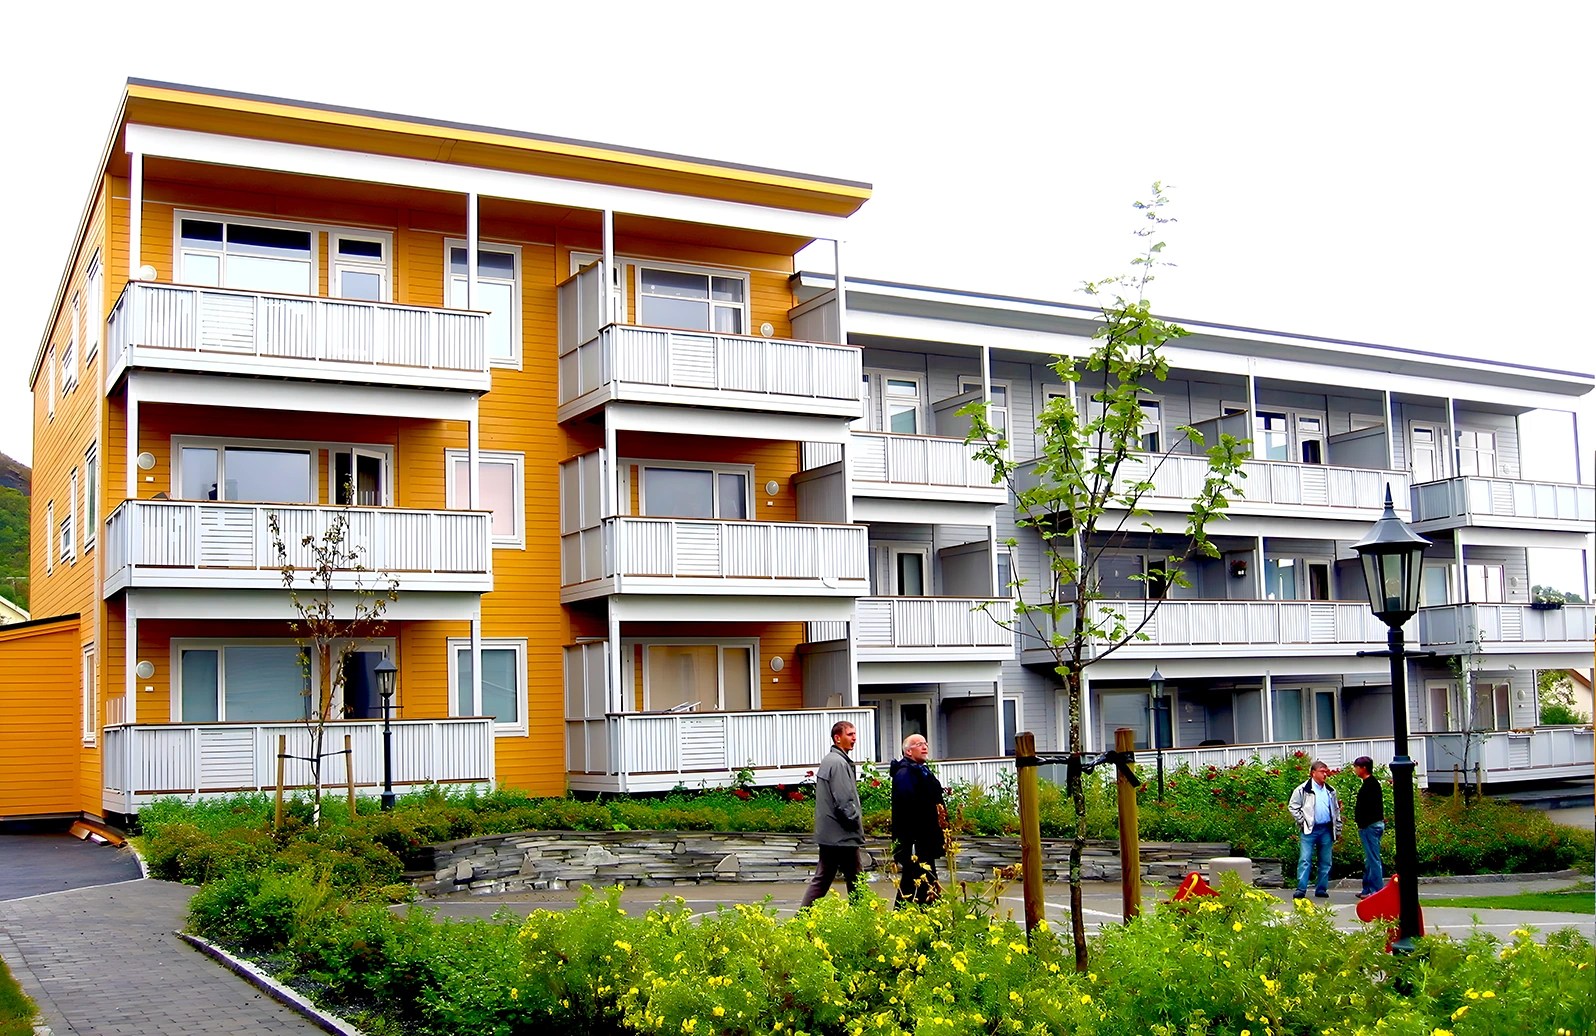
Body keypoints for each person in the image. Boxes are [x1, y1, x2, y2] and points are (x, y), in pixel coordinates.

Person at [798, 720, 865, 908]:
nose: (854, 738)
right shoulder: (837, 763)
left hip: (833, 834)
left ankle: (803, 918)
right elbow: (844, 800)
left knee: (826, 878)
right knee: (855, 880)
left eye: (854, 734)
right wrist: (855, 825)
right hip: (841, 834)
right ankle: (861, 919)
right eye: (850, 734)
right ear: (838, 738)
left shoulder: (832, 760)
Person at [890, 734, 948, 906]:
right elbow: (908, 809)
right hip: (916, 840)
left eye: (925, 743)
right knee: (916, 880)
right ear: (908, 751)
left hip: (925, 839)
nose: (925, 747)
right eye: (919, 744)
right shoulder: (905, 773)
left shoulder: (921, 771)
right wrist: (912, 841)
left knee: (921, 880)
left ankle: (928, 918)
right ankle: (925, 918)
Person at [1286, 759, 1341, 899]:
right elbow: (1293, 807)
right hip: (1309, 829)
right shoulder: (1303, 789)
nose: (1325, 775)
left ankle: (1321, 889)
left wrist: (1338, 828)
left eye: (1326, 772)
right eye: (1322, 772)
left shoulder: (1330, 790)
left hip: (1326, 829)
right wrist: (1302, 821)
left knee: (1326, 861)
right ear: (1313, 773)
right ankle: (1301, 888)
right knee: (1305, 859)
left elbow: (1336, 810)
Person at [1350, 756, 1385, 899]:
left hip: (1370, 826)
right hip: (1370, 825)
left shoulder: (1370, 785)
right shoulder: (1371, 784)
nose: (1355, 770)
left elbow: (1369, 808)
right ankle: (1367, 888)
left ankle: (1376, 890)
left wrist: (1362, 823)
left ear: (1363, 768)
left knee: (1373, 859)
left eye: (1356, 767)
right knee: (1369, 859)